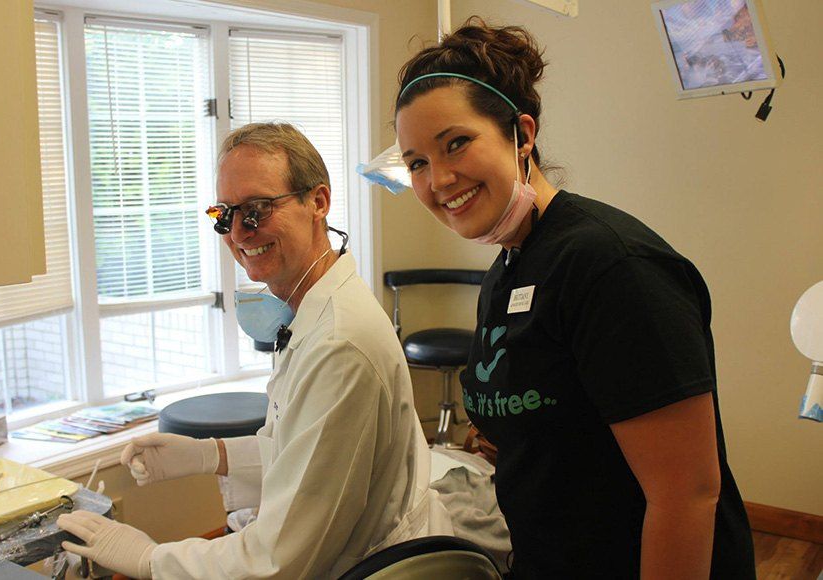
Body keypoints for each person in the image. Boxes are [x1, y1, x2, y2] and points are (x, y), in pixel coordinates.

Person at [393, 18, 755, 579]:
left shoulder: (612, 267)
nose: (438, 179)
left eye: (456, 143)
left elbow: (686, 496)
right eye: (416, 162)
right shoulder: (507, 268)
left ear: (522, 134)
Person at [58, 122, 452, 579]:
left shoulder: (340, 343)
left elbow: (280, 558)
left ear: (318, 202)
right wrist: (211, 454)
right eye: (224, 214)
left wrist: (150, 559)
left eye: (258, 209)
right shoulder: (312, 310)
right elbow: (303, 454)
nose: (239, 233)